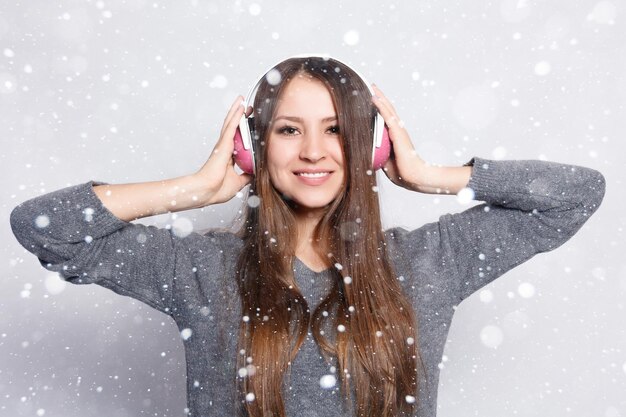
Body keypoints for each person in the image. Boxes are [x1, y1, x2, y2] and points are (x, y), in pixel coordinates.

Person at [10, 56, 606, 417]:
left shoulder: (427, 263)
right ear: (254, 145)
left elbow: (578, 195)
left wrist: (432, 177)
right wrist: (194, 188)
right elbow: (47, 228)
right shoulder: (200, 269)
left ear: (370, 147)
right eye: (290, 129)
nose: (315, 151)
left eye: (336, 130)